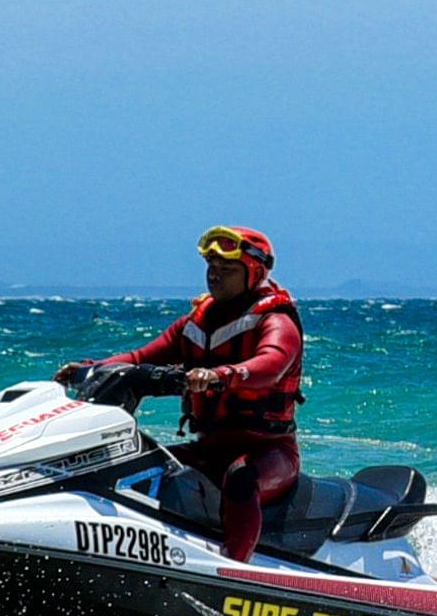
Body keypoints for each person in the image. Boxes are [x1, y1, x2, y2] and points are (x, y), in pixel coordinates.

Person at [58, 226, 302, 563]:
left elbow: (270, 364)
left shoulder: (276, 321)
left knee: (241, 480)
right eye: (211, 268)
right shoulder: (196, 324)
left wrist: (219, 375)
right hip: (211, 447)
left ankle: (234, 569)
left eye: (226, 269)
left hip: (268, 452)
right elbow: (140, 358)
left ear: (254, 272)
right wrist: (91, 367)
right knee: (144, 465)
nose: (214, 276)